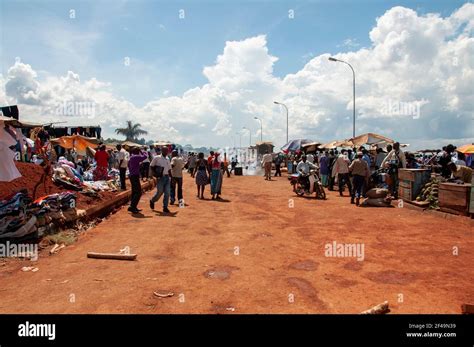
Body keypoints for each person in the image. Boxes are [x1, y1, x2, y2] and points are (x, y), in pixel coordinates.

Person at [149, 146, 172, 213]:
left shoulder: (168, 158)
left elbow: (169, 169)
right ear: (162, 151)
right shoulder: (157, 158)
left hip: (167, 177)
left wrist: (172, 178)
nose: (166, 152)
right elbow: (151, 166)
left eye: (167, 151)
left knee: (167, 193)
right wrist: (155, 173)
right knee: (159, 192)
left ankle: (165, 207)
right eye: (165, 151)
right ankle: (152, 201)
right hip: (160, 178)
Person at [128, 147, 148, 213]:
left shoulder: (131, 157)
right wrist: (142, 151)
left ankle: (132, 206)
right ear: (137, 151)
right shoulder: (136, 156)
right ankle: (133, 207)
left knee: (134, 192)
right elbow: (145, 156)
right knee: (138, 192)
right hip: (135, 176)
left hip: (132, 175)